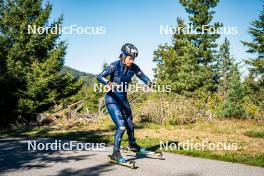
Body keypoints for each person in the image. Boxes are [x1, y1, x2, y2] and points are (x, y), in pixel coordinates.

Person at [97, 43, 152, 163]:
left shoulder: (134, 67)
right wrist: (108, 83)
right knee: (121, 126)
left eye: (133, 59)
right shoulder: (114, 66)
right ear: (123, 56)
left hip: (123, 100)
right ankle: (115, 154)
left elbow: (143, 77)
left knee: (130, 124)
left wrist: (149, 83)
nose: (131, 61)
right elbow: (100, 77)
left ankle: (132, 145)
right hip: (112, 100)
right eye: (130, 58)